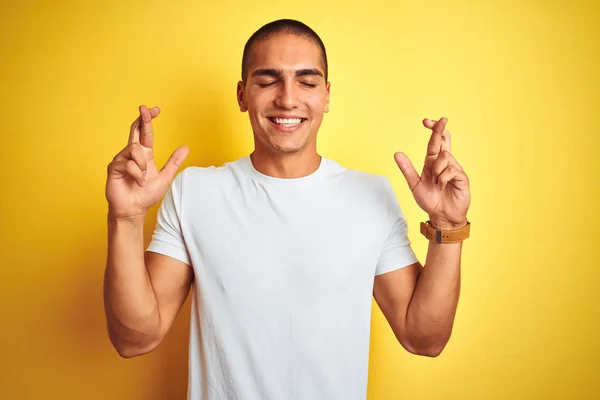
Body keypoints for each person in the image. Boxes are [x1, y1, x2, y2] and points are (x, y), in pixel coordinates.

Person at [103, 19, 471, 400]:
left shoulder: (370, 195)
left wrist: (447, 225)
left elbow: (424, 338)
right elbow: (134, 339)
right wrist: (126, 219)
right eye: (268, 80)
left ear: (326, 96)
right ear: (242, 94)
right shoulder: (195, 192)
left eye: (307, 82)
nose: (288, 98)